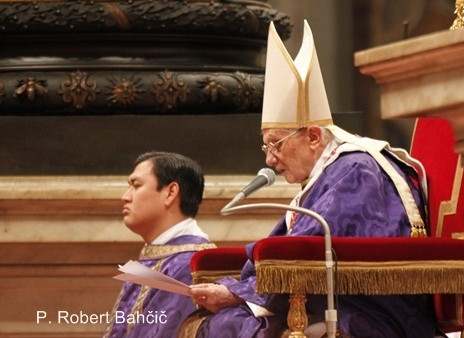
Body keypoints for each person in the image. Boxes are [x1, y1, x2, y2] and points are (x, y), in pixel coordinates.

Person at [180, 21, 441, 337]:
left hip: (366, 314)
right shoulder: (330, 173)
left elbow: (303, 253)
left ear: (314, 136)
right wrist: (236, 288)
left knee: (228, 327)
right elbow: (287, 250)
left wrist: (236, 292)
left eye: (275, 144)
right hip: (327, 300)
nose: (269, 159)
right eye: (266, 146)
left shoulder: (355, 171)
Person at [103, 151, 215, 338]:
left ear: (170, 192)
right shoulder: (161, 256)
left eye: (136, 186)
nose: (125, 197)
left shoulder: (190, 265)